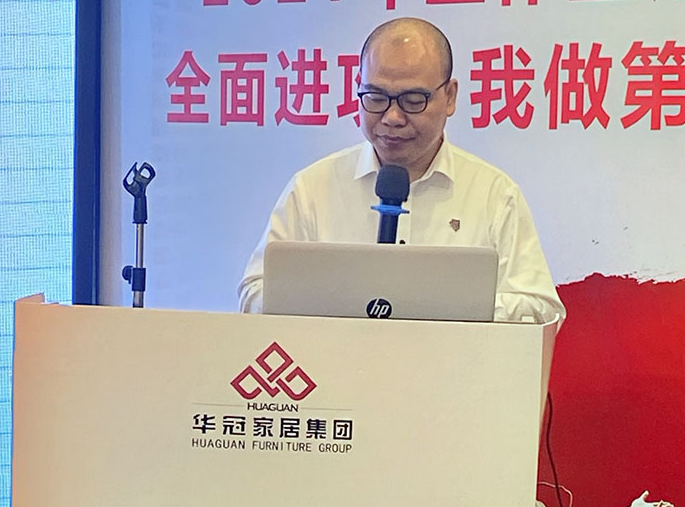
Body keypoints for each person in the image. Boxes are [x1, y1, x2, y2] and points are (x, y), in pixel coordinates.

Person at [238, 17, 565, 324]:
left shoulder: (494, 194)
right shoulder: (312, 188)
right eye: (376, 97)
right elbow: (254, 293)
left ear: (450, 96)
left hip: (452, 365)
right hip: (334, 363)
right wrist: (340, 302)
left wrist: (443, 305)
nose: (392, 117)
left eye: (412, 99)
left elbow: (541, 310)